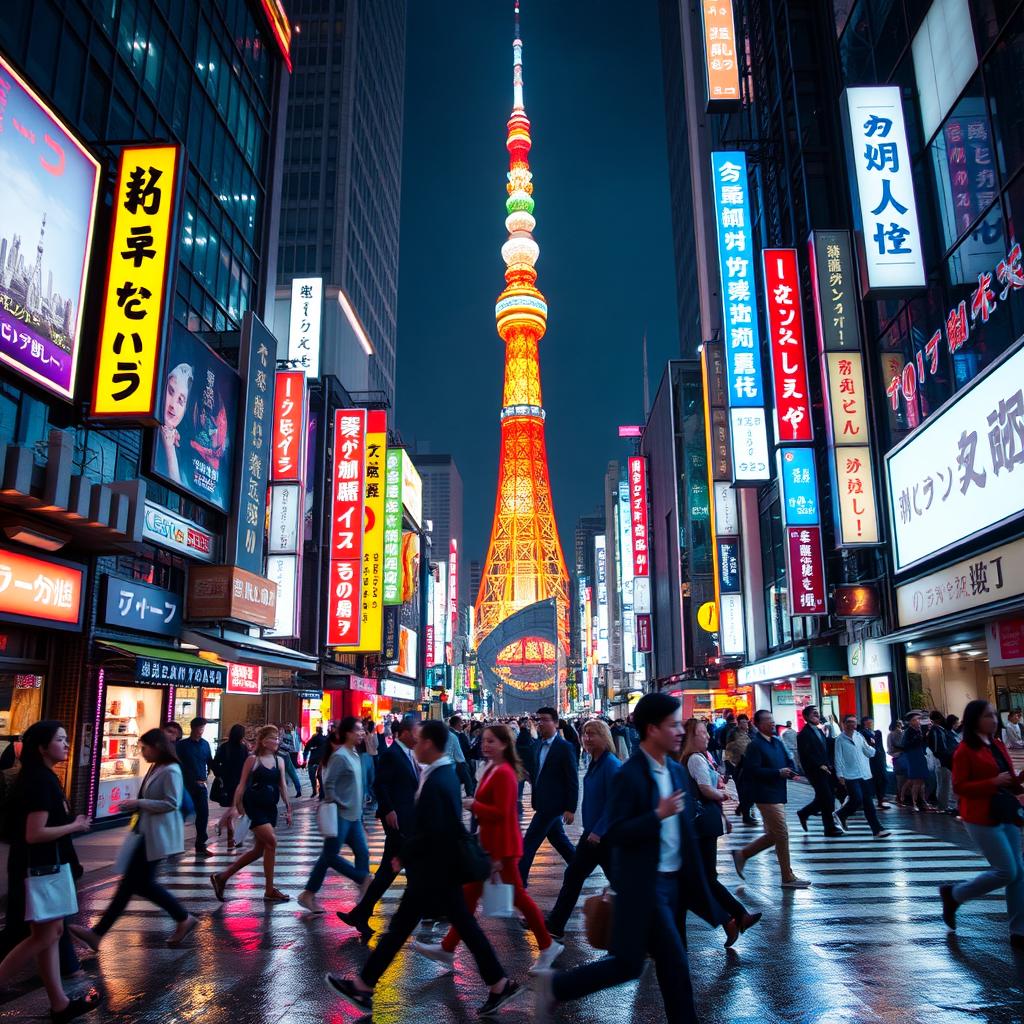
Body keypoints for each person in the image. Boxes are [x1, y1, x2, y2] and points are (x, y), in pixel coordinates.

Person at [535, 693, 726, 1024]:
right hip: (645, 885)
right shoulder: (628, 774)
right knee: (674, 967)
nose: (681, 731)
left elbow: (684, 837)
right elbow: (619, 833)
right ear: (652, 729)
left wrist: (704, 890)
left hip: (672, 885)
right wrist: (657, 814)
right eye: (674, 725)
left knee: (632, 963)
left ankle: (557, 988)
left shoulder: (678, 773)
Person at [326, 720, 523, 1017]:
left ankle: (364, 986)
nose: (415, 746)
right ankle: (498, 982)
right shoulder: (440, 773)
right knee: (438, 926)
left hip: (435, 869)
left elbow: (435, 828)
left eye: (419, 742)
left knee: (408, 928)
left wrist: (405, 854)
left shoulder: (440, 777)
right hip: (437, 868)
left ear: (429, 744)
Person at [414, 723, 561, 972]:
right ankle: (448, 948)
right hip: (491, 845)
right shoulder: (492, 769)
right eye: (484, 741)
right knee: (469, 898)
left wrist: (473, 805)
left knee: (518, 898)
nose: (485, 745)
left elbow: (503, 813)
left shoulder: (503, 772)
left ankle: (547, 945)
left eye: (491, 741)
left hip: (502, 848)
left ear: (504, 744)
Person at [0, 721, 99, 1023]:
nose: (67, 744)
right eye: (60, 740)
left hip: (43, 865)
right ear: (42, 748)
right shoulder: (40, 781)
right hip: (41, 866)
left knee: (50, 934)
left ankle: (59, 1003)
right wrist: (76, 825)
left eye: (67, 739)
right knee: (44, 936)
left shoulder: (40, 777)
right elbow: (35, 833)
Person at [69, 729, 196, 950]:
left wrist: (139, 804)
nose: (142, 752)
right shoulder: (158, 767)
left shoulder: (171, 770)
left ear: (156, 747)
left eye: (144, 748)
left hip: (157, 835)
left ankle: (183, 918)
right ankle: (98, 933)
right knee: (132, 885)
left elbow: (171, 803)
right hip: (146, 832)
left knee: (137, 884)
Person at [940, 699, 1024, 949]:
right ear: (975, 719)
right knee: (1006, 870)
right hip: (980, 815)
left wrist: (1016, 781)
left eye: (995, 716)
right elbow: (959, 787)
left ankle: (1018, 930)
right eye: (989, 716)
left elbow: (1008, 780)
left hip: (1005, 811)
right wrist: (993, 783)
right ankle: (954, 895)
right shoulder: (965, 749)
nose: (994, 720)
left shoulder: (997, 744)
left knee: (1018, 872)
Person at [338, 717, 421, 942]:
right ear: (403, 732)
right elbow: (380, 784)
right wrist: (388, 810)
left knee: (388, 871)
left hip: (408, 821)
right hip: (398, 822)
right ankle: (412, 916)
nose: (418, 736)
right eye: (416, 732)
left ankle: (361, 913)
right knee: (410, 870)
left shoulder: (409, 754)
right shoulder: (392, 755)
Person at [680, 718, 761, 947]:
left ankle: (734, 917)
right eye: (702, 733)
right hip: (703, 824)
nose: (707, 736)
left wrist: (723, 803)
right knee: (701, 879)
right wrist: (723, 798)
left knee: (701, 879)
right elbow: (707, 790)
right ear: (691, 737)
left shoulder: (698, 758)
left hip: (702, 825)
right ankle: (734, 917)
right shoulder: (696, 758)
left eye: (706, 732)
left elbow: (707, 790)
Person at [545, 720, 620, 941]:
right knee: (575, 875)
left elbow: (615, 803)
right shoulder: (595, 761)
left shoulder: (611, 765)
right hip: (593, 833)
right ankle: (555, 924)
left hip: (603, 836)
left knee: (621, 884)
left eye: (592, 734)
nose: (587, 738)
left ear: (604, 737)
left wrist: (599, 830)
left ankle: (648, 935)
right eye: (585, 734)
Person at [210, 725, 293, 903]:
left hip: (270, 808)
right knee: (272, 842)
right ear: (263, 741)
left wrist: (288, 807)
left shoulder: (280, 761)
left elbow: (283, 785)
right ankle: (269, 890)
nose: (277, 741)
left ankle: (222, 877)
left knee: (258, 850)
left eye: (278, 738)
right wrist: (233, 809)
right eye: (274, 738)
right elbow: (241, 785)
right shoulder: (252, 760)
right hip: (253, 807)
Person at [298, 718, 371, 914]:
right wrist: (339, 802)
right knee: (330, 856)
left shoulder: (355, 754)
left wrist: (360, 812)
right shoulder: (340, 756)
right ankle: (361, 880)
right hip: (340, 815)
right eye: (358, 729)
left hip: (354, 816)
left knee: (361, 852)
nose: (362, 732)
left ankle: (309, 894)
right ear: (348, 733)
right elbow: (328, 783)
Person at [732, 710, 810, 889]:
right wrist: (777, 773)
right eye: (767, 721)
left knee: (774, 835)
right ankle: (787, 876)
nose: (772, 723)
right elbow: (752, 771)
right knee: (782, 833)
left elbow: (788, 761)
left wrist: (790, 770)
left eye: (772, 720)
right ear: (758, 724)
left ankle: (742, 855)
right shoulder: (755, 745)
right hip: (764, 795)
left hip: (778, 793)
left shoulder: (777, 741)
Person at [519, 706, 579, 886]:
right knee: (559, 841)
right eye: (538, 720)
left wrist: (570, 808)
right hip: (542, 802)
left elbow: (572, 779)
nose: (540, 723)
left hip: (553, 806)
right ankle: (580, 867)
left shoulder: (564, 747)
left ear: (556, 723)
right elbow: (541, 772)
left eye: (545, 719)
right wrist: (530, 777)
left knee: (528, 844)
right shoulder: (538, 745)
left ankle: (518, 882)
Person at [833, 715, 891, 838]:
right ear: (844, 724)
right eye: (849, 722)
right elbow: (838, 758)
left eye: (854, 722)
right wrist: (840, 775)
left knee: (868, 803)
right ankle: (842, 814)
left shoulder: (859, 736)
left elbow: (867, 751)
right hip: (850, 775)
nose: (852, 724)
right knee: (857, 799)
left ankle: (877, 830)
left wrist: (874, 748)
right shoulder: (840, 739)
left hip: (864, 774)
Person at [796, 706, 843, 837]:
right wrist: (819, 765)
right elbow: (806, 754)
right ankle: (829, 828)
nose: (817, 715)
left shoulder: (819, 730)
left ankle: (804, 813)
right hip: (815, 771)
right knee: (827, 798)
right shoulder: (803, 734)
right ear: (806, 717)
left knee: (826, 797)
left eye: (817, 713)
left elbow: (826, 747)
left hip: (827, 769)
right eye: (814, 713)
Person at [176, 717, 214, 857]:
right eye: (200, 728)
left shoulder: (205, 744)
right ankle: (175, 845)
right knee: (182, 813)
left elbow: (210, 761)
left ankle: (201, 845)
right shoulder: (182, 745)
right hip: (186, 785)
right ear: (193, 728)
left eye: (203, 728)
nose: (201, 731)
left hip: (200, 784)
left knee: (203, 815)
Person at [212, 724, 250, 847]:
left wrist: (220, 774)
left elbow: (215, 763)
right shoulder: (243, 748)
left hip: (228, 782)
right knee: (238, 809)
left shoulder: (224, 747)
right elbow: (247, 764)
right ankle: (234, 836)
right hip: (240, 782)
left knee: (234, 808)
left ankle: (231, 837)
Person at [156, 362, 193, 485]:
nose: (172, 404)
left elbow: (179, 488)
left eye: (180, 400)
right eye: (170, 391)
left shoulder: (183, 450)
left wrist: (170, 448)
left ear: (185, 409)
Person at [724, 716, 757, 826]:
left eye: (746, 722)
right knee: (743, 792)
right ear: (738, 723)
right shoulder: (733, 734)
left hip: (750, 766)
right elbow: (728, 750)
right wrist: (729, 769)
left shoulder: (751, 732)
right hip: (738, 766)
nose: (745, 724)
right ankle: (746, 816)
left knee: (751, 791)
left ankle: (741, 808)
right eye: (743, 722)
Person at [927, 709, 959, 813]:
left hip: (942, 760)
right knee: (943, 783)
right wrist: (944, 757)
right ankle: (942, 806)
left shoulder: (938, 730)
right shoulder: (937, 731)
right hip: (942, 761)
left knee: (943, 783)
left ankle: (943, 805)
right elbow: (938, 748)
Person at [897, 712, 930, 810]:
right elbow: (905, 745)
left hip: (920, 754)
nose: (918, 721)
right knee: (915, 780)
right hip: (913, 756)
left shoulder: (919, 730)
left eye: (918, 719)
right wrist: (917, 739)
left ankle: (923, 801)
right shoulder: (908, 732)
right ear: (910, 722)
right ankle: (914, 802)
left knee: (921, 780)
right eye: (915, 720)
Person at [858, 716, 890, 810]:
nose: (871, 724)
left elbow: (879, 745)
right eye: (869, 722)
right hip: (871, 760)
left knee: (883, 779)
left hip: (879, 758)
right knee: (873, 780)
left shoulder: (877, 733)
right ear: (865, 723)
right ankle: (872, 800)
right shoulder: (862, 733)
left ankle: (880, 798)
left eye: (872, 722)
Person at [447, 715, 476, 798]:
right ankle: (470, 794)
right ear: (458, 724)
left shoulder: (445, 734)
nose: (462, 725)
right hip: (456, 763)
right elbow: (461, 755)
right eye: (461, 723)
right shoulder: (455, 736)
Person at [515, 717, 536, 815]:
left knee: (520, 785)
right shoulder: (530, 741)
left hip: (520, 767)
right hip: (529, 767)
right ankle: (535, 800)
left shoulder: (518, 741)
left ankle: (518, 800)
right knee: (534, 784)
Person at [277, 723, 303, 799]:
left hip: (286, 754)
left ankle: (298, 790)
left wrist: (283, 745)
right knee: (288, 773)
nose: (287, 728)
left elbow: (294, 746)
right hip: (283, 753)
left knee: (291, 772)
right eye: (286, 726)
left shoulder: (293, 735)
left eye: (288, 726)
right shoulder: (284, 734)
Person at [887, 720, 907, 804]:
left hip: (897, 758)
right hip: (904, 757)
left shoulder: (890, 734)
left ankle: (900, 796)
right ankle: (903, 796)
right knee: (905, 778)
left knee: (900, 778)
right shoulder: (904, 733)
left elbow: (890, 749)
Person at [304, 726, 327, 798]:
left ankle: (314, 791)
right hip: (322, 761)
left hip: (313, 760)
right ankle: (322, 792)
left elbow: (306, 748)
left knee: (312, 776)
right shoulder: (325, 739)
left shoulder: (313, 739)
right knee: (320, 777)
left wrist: (305, 759)